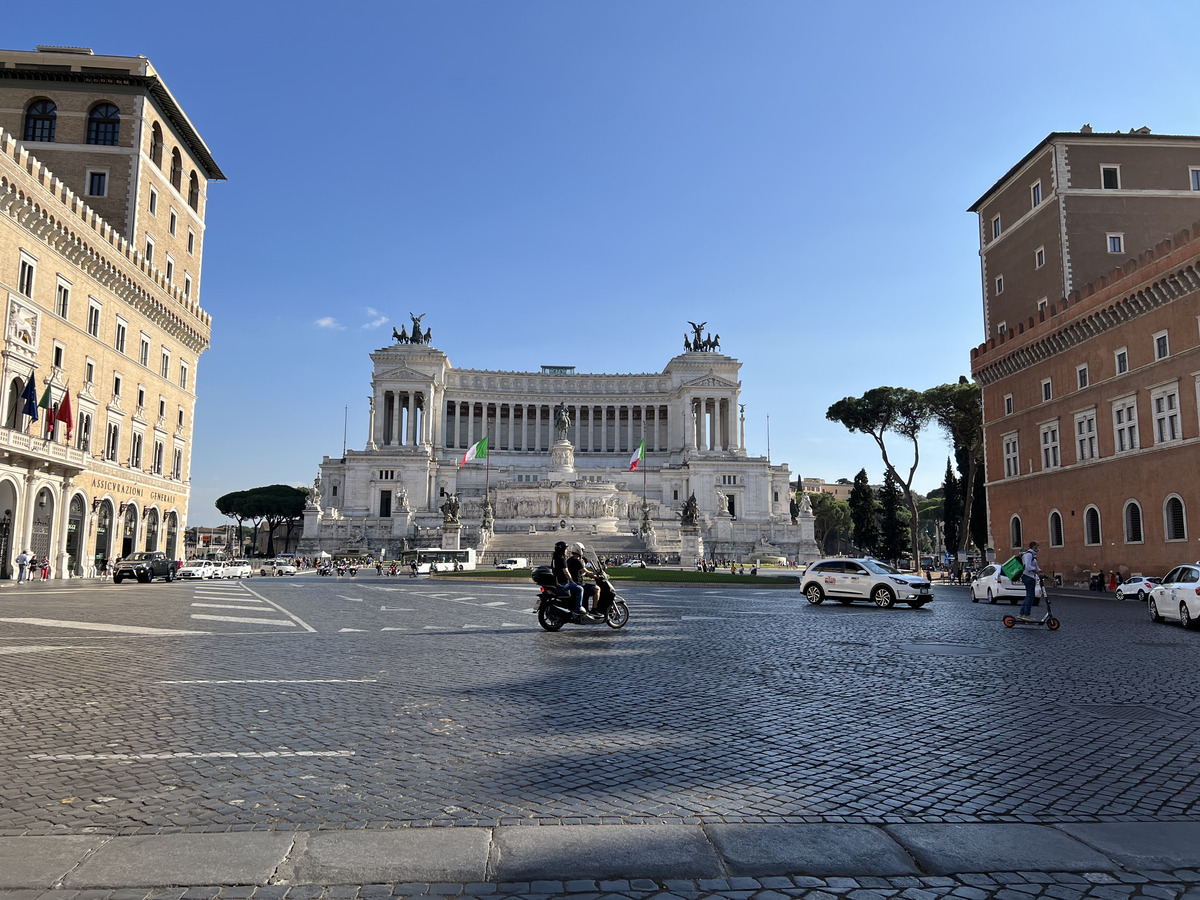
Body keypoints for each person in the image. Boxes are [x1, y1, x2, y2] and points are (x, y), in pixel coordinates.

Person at [551, 540, 586, 616]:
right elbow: (566, 572)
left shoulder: (555, 558)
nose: (567, 551)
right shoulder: (562, 558)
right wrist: (572, 581)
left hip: (557, 581)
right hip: (563, 582)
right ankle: (578, 608)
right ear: (562, 550)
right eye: (565, 549)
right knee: (580, 589)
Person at [567, 542, 598, 614]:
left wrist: (586, 574)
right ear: (579, 550)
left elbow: (579, 572)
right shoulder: (577, 561)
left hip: (573, 582)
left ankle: (586, 608)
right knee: (597, 589)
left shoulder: (570, 559)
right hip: (578, 583)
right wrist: (596, 576)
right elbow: (585, 571)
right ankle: (594, 610)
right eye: (582, 550)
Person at [1019, 540, 1043, 620]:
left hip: (1031, 577)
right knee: (1030, 596)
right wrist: (1037, 572)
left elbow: (1036, 567)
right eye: (1037, 546)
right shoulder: (1028, 555)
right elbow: (1028, 567)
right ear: (1033, 546)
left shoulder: (1033, 555)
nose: (1038, 548)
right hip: (1028, 577)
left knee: (1029, 596)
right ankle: (1026, 615)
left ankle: (1022, 613)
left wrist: (1041, 572)